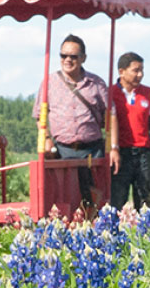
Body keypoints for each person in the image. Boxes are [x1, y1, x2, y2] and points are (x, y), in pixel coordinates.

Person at [35, 34, 114, 208]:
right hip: (63, 151)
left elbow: (111, 115)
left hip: (92, 151)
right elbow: (39, 115)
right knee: (66, 198)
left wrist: (113, 148)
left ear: (83, 58)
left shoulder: (96, 83)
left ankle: (96, 229)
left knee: (97, 198)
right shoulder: (49, 82)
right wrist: (47, 138)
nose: (67, 60)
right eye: (63, 56)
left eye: (73, 56)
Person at [109, 52, 150, 210]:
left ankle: (144, 233)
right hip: (120, 154)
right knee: (116, 200)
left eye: (142, 70)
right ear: (122, 71)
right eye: (135, 70)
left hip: (144, 153)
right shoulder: (110, 93)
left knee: (145, 203)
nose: (140, 75)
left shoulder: (148, 93)